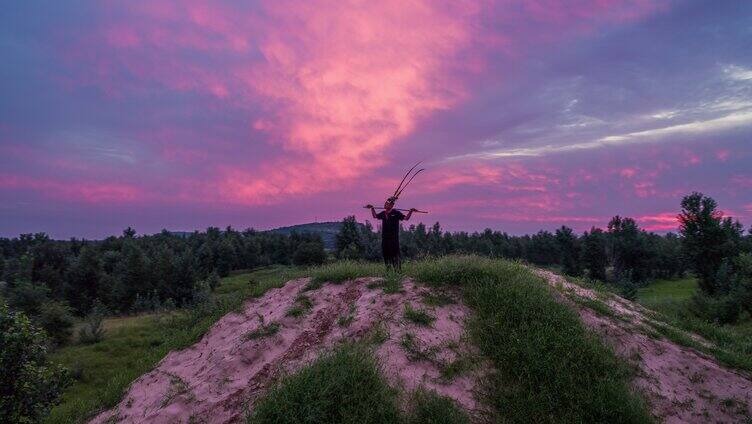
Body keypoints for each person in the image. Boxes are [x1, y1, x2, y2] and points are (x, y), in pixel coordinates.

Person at [366, 197, 416, 268]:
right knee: (386, 254)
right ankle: (388, 272)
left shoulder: (396, 213)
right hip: (385, 238)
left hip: (394, 238)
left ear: (392, 205)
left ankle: (397, 272)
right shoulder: (383, 213)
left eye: (387, 204)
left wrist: (410, 211)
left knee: (395, 254)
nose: (385, 205)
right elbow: (375, 216)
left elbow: (406, 218)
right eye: (385, 203)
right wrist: (372, 208)